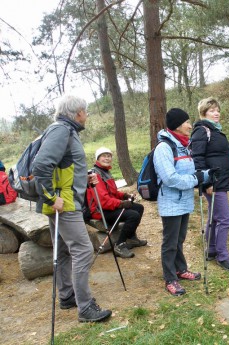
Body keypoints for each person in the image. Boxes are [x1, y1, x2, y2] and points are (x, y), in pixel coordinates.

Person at [32, 95, 111, 322]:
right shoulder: (62, 131)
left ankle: (67, 296)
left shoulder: (65, 130)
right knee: (83, 250)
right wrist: (49, 198)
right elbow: (41, 165)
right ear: (77, 112)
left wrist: (83, 178)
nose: (86, 115)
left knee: (66, 250)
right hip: (64, 204)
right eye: (85, 111)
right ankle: (85, 307)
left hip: (63, 199)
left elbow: (62, 167)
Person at [153, 108, 213, 296]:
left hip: (184, 200)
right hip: (171, 202)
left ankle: (181, 268)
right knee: (170, 242)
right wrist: (196, 179)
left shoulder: (183, 145)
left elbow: (188, 171)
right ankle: (170, 278)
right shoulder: (164, 148)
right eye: (187, 122)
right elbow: (170, 178)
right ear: (178, 126)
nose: (190, 125)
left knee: (179, 239)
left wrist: (205, 175)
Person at [190, 97, 229, 271]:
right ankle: (222, 255)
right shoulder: (202, 131)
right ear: (203, 113)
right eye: (212, 110)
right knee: (224, 218)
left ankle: (211, 250)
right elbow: (198, 160)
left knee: (214, 217)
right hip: (213, 182)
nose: (216, 113)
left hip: (220, 180)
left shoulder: (215, 130)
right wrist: (207, 183)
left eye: (217, 110)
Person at [86, 147, 147, 259]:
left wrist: (124, 196)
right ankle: (119, 245)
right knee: (133, 215)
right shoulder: (95, 174)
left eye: (109, 156)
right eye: (103, 156)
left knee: (139, 208)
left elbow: (112, 192)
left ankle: (132, 238)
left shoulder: (106, 172)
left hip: (108, 207)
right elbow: (103, 201)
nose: (107, 158)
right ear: (97, 159)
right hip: (100, 211)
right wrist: (121, 203)